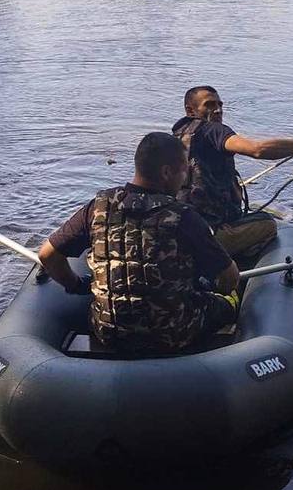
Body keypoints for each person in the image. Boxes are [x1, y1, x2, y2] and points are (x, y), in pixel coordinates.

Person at [38, 132, 240, 356]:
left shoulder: (97, 206)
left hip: (108, 331)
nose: (185, 179)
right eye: (184, 171)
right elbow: (229, 278)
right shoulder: (184, 217)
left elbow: (48, 255)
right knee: (227, 302)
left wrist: (76, 285)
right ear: (166, 172)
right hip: (172, 335)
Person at [170, 85, 293, 259]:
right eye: (209, 105)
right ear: (190, 110)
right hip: (210, 234)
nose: (218, 110)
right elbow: (258, 149)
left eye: (220, 105)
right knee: (267, 224)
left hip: (186, 227)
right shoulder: (213, 130)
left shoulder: (177, 136)